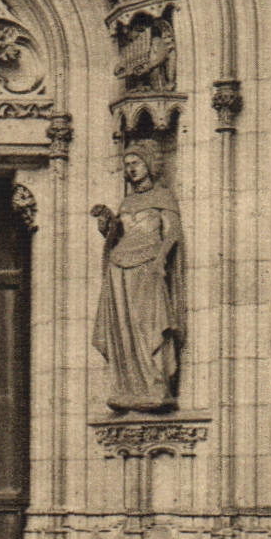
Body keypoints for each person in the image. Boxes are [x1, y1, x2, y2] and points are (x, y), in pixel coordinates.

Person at [90, 140, 183, 411]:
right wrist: (107, 224)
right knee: (123, 326)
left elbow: (173, 232)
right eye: (127, 165)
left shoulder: (163, 197)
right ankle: (127, 386)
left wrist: (161, 260)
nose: (131, 169)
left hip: (147, 266)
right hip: (120, 267)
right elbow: (116, 236)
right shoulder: (127, 201)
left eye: (136, 163)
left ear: (149, 165)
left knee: (148, 325)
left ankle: (155, 385)